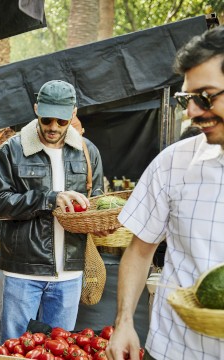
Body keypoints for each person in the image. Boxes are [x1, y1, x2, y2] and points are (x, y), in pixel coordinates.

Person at [107, 27, 224, 360]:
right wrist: (124, 321)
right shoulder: (173, 164)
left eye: (205, 96)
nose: (191, 112)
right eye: (187, 99)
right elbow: (141, 250)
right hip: (172, 350)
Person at [0, 80, 105, 341]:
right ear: (36, 109)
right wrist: (49, 199)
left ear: (73, 113)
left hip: (70, 272)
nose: (53, 127)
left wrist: (99, 222)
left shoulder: (88, 152)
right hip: (23, 270)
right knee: (14, 349)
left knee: (59, 348)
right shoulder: (11, 150)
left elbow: (96, 201)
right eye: (47, 119)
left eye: (61, 121)